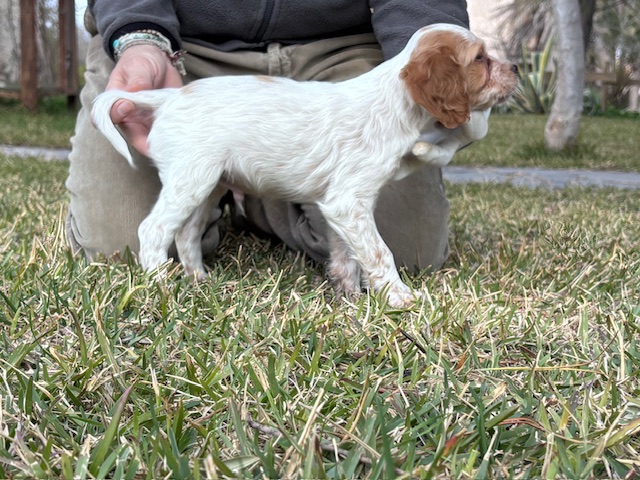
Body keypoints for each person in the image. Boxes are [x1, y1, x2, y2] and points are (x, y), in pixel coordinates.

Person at [66, 0, 476, 274]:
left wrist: (431, 56)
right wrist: (142, 36)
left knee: (410, 252)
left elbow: (430, 37)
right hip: (182, 46)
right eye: (483, 61)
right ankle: (232, 185)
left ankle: (260, 194)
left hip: (343, 48)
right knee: (116, 247)